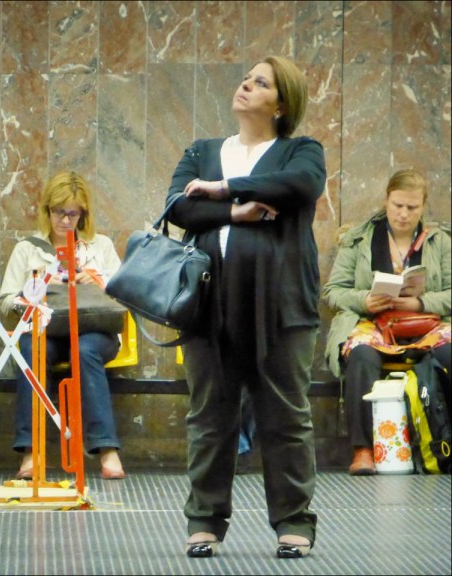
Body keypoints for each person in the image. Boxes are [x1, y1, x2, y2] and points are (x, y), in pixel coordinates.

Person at [165, 56, 326, 559]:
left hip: (282, 304)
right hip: (208, 303)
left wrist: (223, 188)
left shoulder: (302, 150)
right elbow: (177, 205)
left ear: (281, 103)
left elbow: (300, 186)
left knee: (286, 415)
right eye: (247, 78)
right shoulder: (203, 149)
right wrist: (236, 211)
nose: (246, 85)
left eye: (261, 83)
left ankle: (293, 522)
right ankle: (205, 520)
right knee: (210, 415)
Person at [0, 171, 125, 480]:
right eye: (59, 212)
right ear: (47, 211)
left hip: (95, 331)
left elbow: (126, 293)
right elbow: (5, 301)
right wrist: (38, 287)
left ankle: (107, 450)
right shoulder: (29, 249)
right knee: (30, 348)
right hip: (47, 330)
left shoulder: (101, 246)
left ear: (83, 214)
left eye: (72, 213)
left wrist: (95, 279)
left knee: (85, 350)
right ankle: (30, 452)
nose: (65, 220)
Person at [323, 168, 451, 475]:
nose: (404, 214)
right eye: (397, 206)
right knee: (361, 355)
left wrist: (420, 302)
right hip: (374, 322)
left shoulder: (440, 242)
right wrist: (364, 300)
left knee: (449, 353)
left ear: (423, 207)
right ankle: (363, 449)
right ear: (386, 200)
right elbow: (333, 292)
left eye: (412, 207)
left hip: (427, 322)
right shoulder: (358, 239)